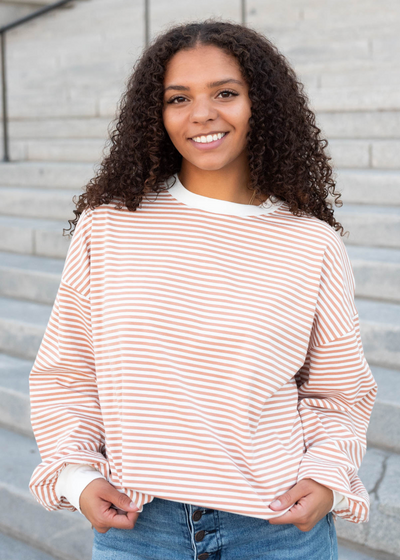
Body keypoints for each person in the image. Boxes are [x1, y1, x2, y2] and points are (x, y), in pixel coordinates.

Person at [29, 19, 377, 560]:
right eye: (178, 98)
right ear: (156, 114)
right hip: (139, 529)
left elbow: (339, 392)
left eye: (225, 93)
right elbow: (68, 372)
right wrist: (75, 476)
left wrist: (327, 477)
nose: (202, 114)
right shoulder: (110, 226)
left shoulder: (312, 242)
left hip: (276, 529)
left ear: (260, 103)